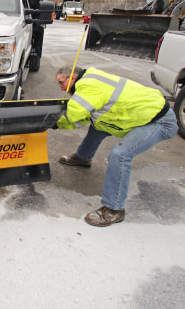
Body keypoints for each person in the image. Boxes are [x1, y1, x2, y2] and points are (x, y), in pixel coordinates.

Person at [53, 66, 178, 227]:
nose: (62, 88)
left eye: (62, 83)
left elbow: (74, 113)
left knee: (120, 154)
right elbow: (85, 117)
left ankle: (114, 209)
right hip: (139, 115)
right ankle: (83, 157)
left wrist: (52, 121)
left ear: (73, 77)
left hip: (159, 121)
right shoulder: (90, 80)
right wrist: (58, 124)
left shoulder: (88, 86)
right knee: (98, 126)